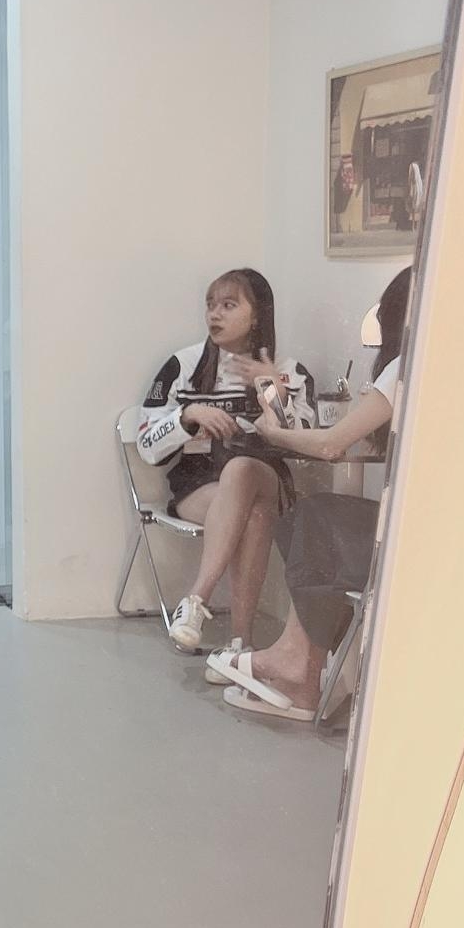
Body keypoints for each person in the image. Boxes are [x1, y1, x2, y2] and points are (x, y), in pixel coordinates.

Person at [210, 267, 413, 721]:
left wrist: (274, 434)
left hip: (412, 540)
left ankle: (299, 664)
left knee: (314, 516)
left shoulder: (407, 365)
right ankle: (303, 666)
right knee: (313, 520)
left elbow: (331, 445)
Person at [137, 267, 316, 653]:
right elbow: (147, 446)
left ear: (257, 316)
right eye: (210, 305)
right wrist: (188, 416)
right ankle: (240, 646)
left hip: (267, 476)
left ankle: (196, 600)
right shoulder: (182, 367)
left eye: (228, 305)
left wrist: (271, 389)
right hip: (198, 486)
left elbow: (305, 445)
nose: (214, 314)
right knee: (254, 513)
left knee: (242, 469)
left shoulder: (289, 372)